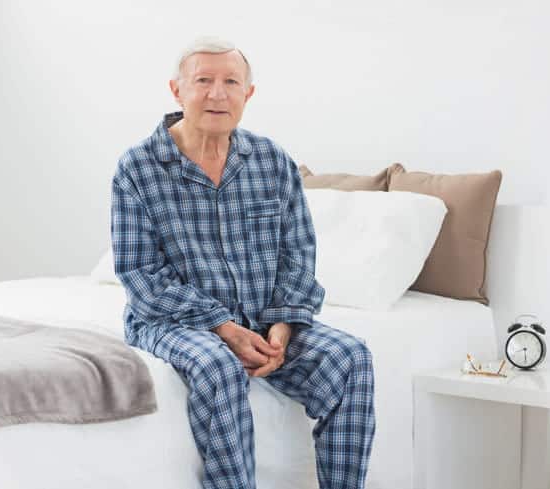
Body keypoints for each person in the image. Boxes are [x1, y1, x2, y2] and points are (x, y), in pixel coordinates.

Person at [111, 37, 375, 489]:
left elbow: (298, 255)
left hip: (265, 318)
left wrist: (284, 324)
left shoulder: (273, 161)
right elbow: (140, 274)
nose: (217, 93)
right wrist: (224, 328)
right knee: (217, 366)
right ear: (177, 90)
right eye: (204, 81)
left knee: (350, 358)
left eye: (231, 82)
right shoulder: (138, 167)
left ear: (248, 94)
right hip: (171, 320)